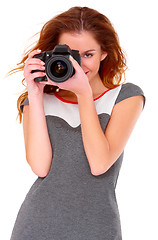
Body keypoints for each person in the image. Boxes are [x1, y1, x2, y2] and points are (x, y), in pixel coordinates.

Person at [10, 6, 145, 240]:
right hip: (35, 226)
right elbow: (41, 167)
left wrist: (84, 94)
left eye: (88, 54)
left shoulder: (126, 97)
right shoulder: (38, 101)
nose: (79, 64)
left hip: (98, 227)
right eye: (72, 54)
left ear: (104, 53)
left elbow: (100, 163)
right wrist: (34, 93)